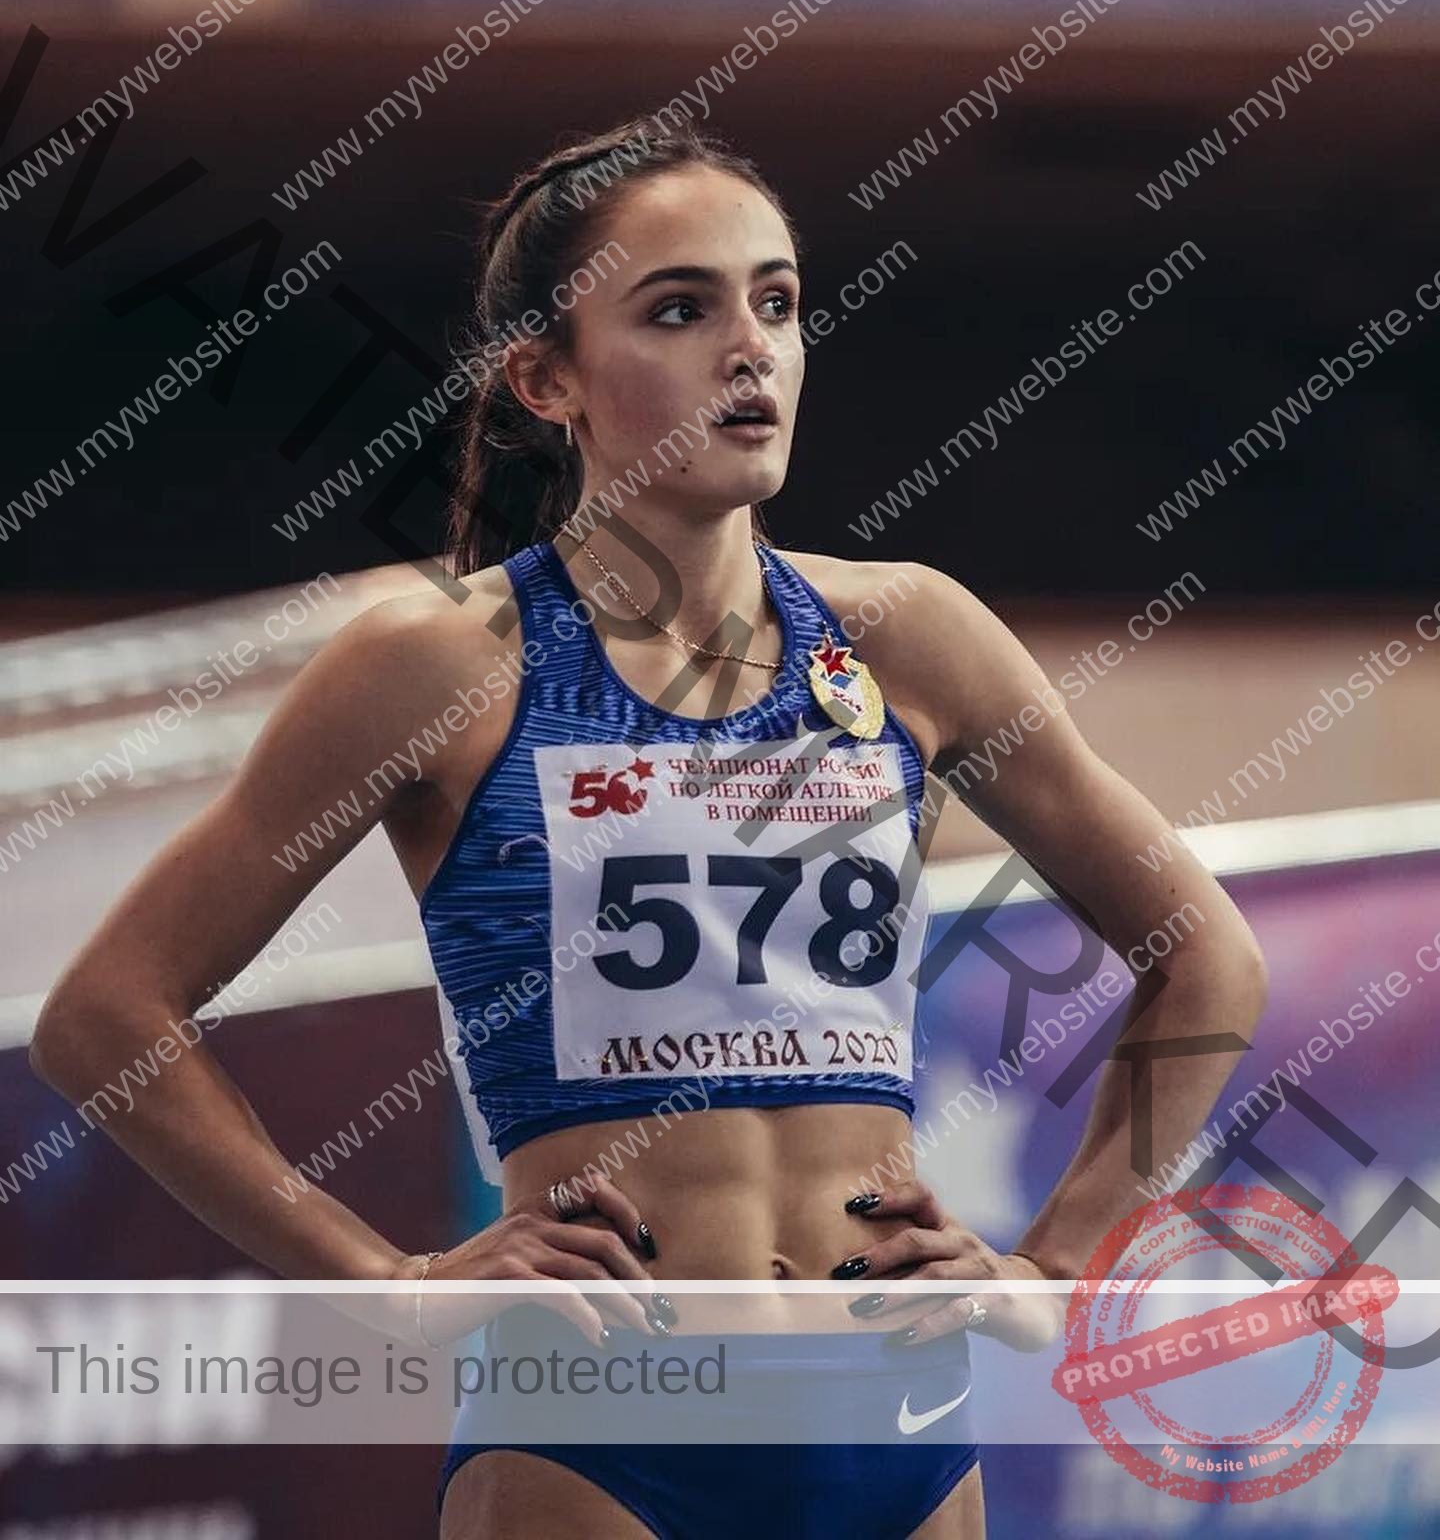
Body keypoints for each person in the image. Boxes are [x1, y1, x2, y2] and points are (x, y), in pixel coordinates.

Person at [29, 117, 1268, 1538]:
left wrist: (1054, 1273)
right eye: (681, 309)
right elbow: (107, 1017)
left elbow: (1205, 955)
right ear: (545, 378)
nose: (750, 348)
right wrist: (389, 1284)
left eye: (779, 301)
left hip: (902, 1429)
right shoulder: (436, 665)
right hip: (602, 1435)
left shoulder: (911, 636)